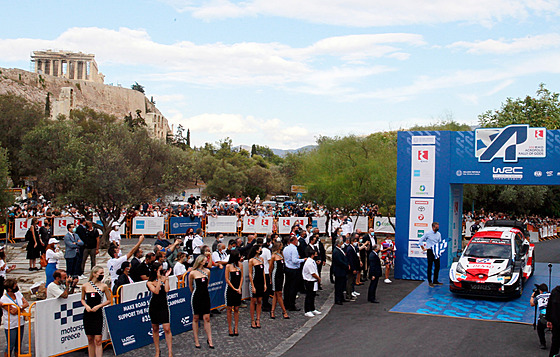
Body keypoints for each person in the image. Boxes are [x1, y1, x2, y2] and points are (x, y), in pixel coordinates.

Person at [81, 266, 111, 357]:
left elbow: (109, 300)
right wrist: (86, 306)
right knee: (90, 339)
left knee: (98, 339)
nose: (102, 275)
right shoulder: (85, 286)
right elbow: (82, 299)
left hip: (98, 314)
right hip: (88, 314)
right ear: (94, 274)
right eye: (100, 273)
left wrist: (99, 306)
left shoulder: (104, 286)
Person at [147, 262, 173, 357]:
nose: (161, 271)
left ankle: (170, 351)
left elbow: (166, 290)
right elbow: (156, 291)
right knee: (155, 328)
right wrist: (159, 281)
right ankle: (157, 350)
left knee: (167, 328)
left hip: (163, 305)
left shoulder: (164, 278)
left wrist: (165, 279)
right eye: (160, 270)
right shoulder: (149, 282)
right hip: (154, 306)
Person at [189, 255, 214, 349]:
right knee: (195, 317)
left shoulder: (207, 271)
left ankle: (210, 339)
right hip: (196, 296)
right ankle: (196, 340)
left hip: (205, 296)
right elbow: (191, 286)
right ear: (199, 261)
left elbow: (207, 284)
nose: (206, 262)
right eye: (204, 260)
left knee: (207, 318)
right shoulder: (192, 273)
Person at [1, 279, 28, 357]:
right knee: (10, 345)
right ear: (9, 289)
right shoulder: (3, 299)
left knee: (18, 345)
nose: (16, 287)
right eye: (15, 286)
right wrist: (21, 308)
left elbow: (26, 303)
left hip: (20, 322)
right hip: (11, 324)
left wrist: (19, 307)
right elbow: (12, 311)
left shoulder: (18, 293)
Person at [283, 236, 306, 311]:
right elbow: (294, 260)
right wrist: (302, 260)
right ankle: (291, 304)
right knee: (293, 287)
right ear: (294, 241)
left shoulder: (286, 248)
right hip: (293, 269)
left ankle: (286, 303)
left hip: (287, 268)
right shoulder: (294, 249)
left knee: (287, 286)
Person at [225, 250, 243, 336]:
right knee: (229, 308)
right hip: (231, 289)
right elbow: (227, 279)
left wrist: (239, 287)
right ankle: (229, 328)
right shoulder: (228, 266)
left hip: (238, 288)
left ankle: (236, 327)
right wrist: (234, 288)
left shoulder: (240, 265)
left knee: (236, 308)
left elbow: (242, 277)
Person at [418, 222, 442, 287]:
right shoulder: (428, 233)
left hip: (436, 251)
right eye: (436, 227)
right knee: (430, 266)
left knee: (437, 266)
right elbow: (420, 240)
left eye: (438, 227)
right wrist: (423, 248)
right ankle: (430, 281)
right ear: (433, 227)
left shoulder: (439, 234)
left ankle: (435, 280)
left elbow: (440, 242)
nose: (438, 228)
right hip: (430, 251)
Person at [248, 245, 266, 328]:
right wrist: (252, 285)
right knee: (253, 301)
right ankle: (252, 319)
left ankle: (258, 319)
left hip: (261, 282)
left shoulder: (261, 259)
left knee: (259, 300)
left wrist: (265, 283)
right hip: (254, 282)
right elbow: (250, 273)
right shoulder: (251, 260)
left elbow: (263, 272)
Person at [269, 241, 289, 319]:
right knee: (279, 293)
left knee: (276, 294)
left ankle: (272, 310)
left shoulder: (281, 255)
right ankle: (284, 311)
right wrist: (270, 278)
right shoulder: (274, 256)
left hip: (281, 275)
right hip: (276, 275)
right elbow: (271, 268)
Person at [302, 247, 321, 317]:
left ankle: (312, 308)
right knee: (309, 296)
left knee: (312, 295)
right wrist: (318, 278)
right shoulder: (309, 263)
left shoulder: (312, 261)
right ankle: (307, 310)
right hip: (309, 281)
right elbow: (313, 273)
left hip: (313, 281)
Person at [531, 283, 550, 350]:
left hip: (543, 317)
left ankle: (543, 344)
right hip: (553, 316)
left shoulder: (539, 297)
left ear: (540, 291)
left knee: (540, 329)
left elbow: (532, 304)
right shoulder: (552, 295)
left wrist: (532, 296)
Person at [332, 238, 349, 305]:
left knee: (342, 285)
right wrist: (346, 265)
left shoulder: (340, 250)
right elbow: (339, 261)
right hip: (339, 271)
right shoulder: (336, 251)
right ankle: (338, 299)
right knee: (338, 286)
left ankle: (341, 298)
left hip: (342, 271)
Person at [345, 236, 360, 301]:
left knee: (352, 281)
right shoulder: (350, 249)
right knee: (349, 282)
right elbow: (351, 260)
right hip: (351, 269)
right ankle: (348, 295)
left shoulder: (353, 248)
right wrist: (353, 269)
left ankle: (350, 294)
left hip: (354, 267)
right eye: (355, 241)